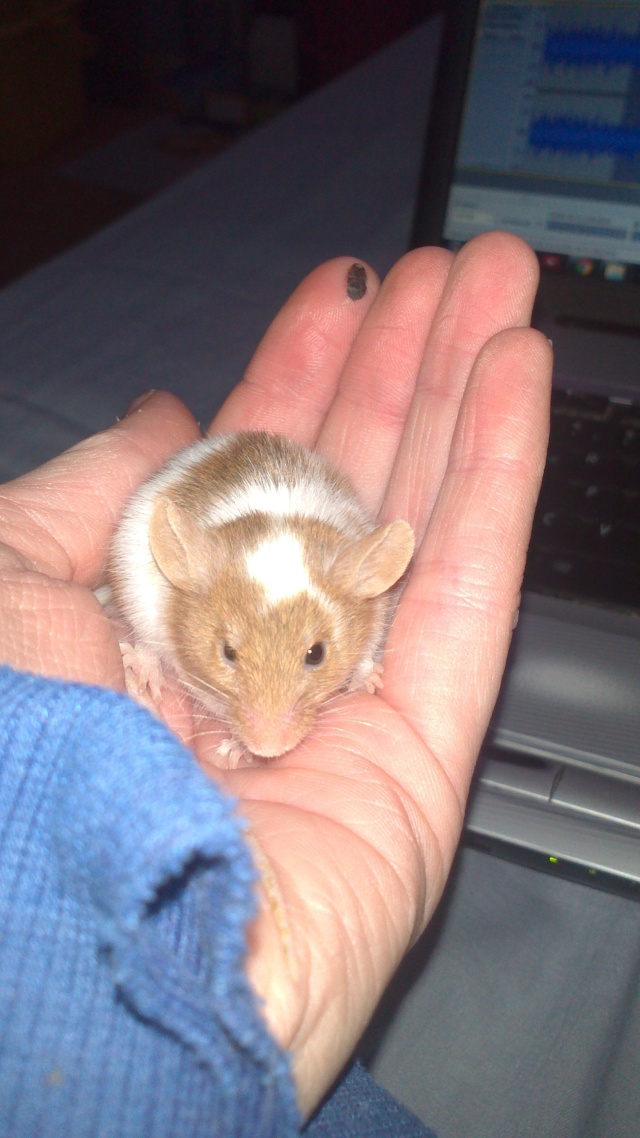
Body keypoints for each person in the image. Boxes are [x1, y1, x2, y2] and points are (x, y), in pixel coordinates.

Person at [0, 233, 551, 1136]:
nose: (266, 732)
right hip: (209, 526)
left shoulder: (351, 589)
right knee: (143, 551)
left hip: (287, 524)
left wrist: (357, 662)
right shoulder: (186, 579)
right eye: (227, 663)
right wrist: (153, 649)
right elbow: (169, 574)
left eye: (312, 664)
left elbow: (355, 609)